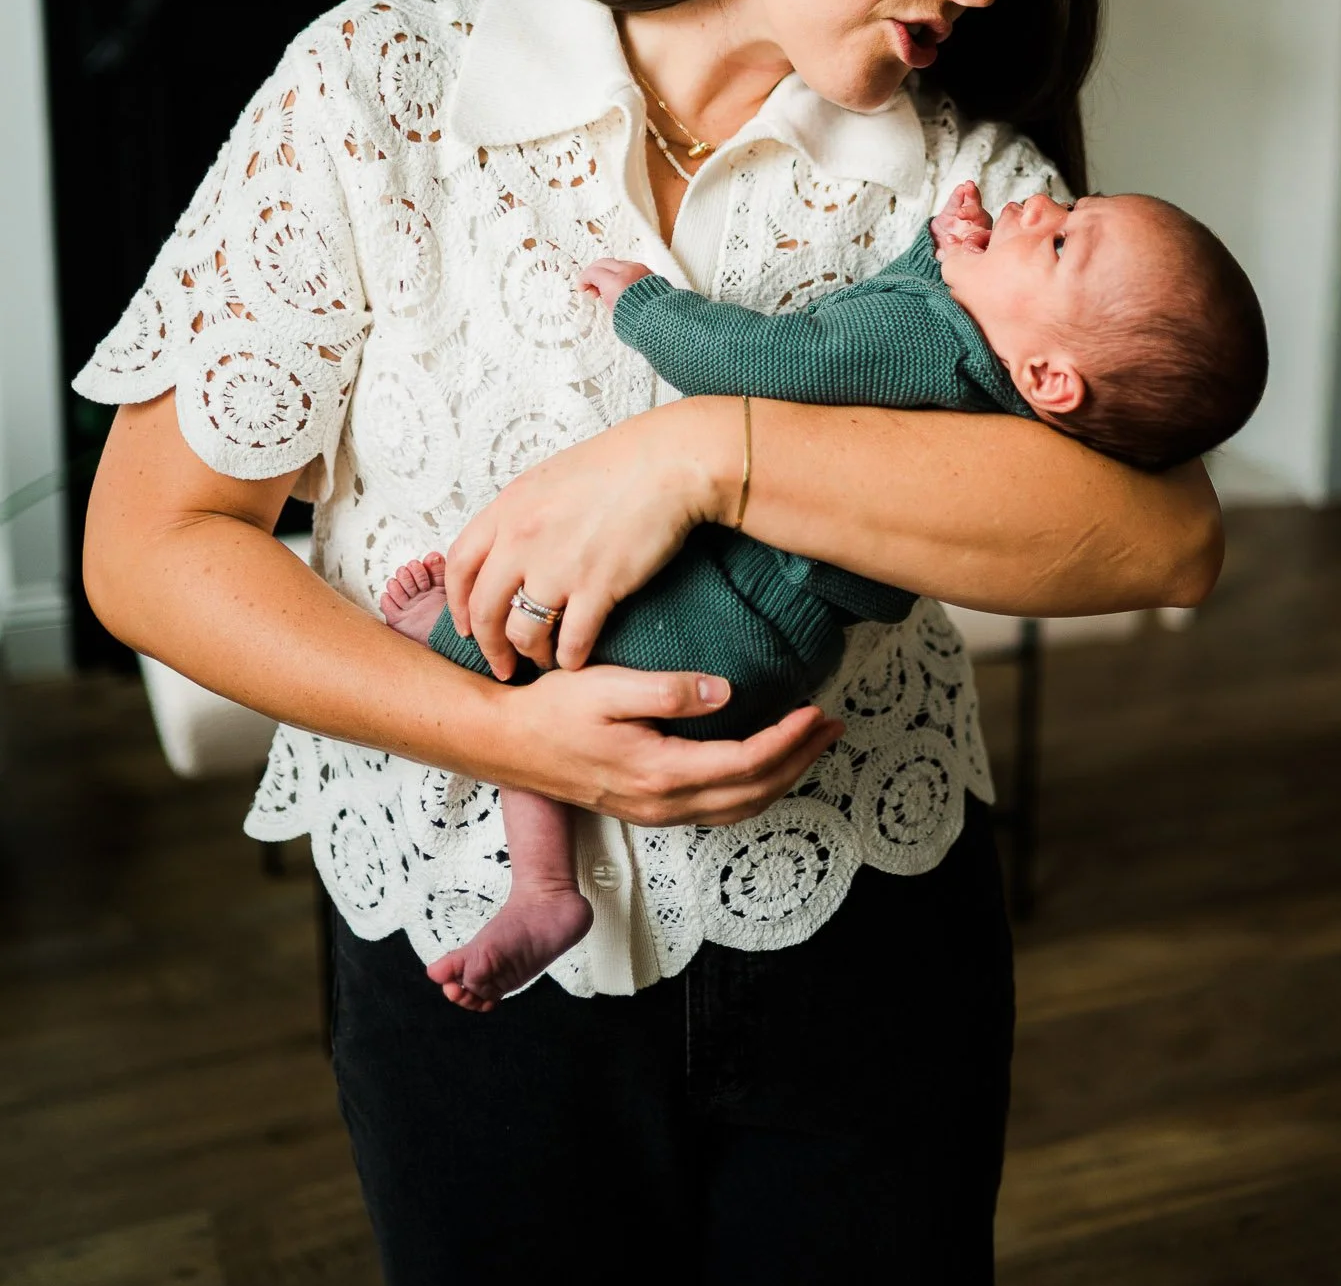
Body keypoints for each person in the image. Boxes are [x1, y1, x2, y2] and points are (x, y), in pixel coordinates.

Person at [78, 0, 1224, 1286]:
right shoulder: (385, 83)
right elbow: (152, 542)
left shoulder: (964, 191)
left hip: (866, 932)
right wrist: (493, 725)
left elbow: (1159, 539)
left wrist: (710, 449)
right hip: (466, 946)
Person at [381, 178, 1265, 1010]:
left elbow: (784, 358)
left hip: (717, 623)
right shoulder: (998, 386)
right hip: (770, 643)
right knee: (553, 713)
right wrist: (943, 256)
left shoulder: (926, 350)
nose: (1034, 205)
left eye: (1063, 238)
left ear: (1049, 380)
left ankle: (526, 845)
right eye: (1071, 203)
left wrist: (649, 310)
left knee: (511, 662)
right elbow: (895, 336)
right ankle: (544, 888)